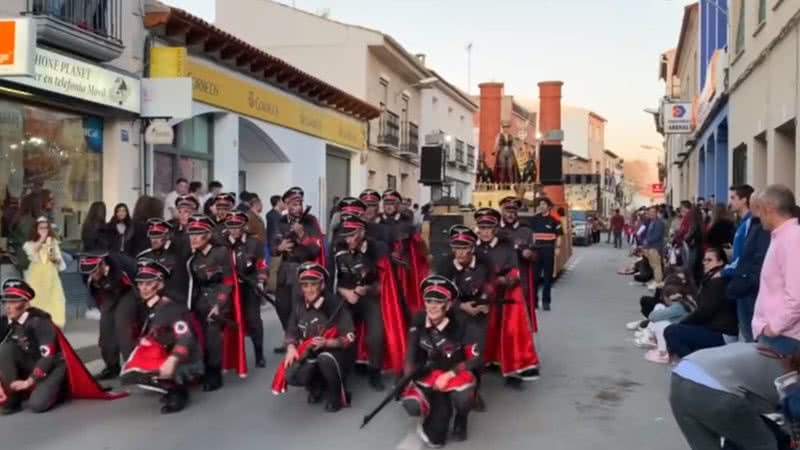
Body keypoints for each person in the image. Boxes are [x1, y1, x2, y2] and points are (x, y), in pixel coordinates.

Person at [0, 279, 126, 414]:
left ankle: (61, 389)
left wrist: (29, 382)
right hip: (31, 362)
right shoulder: (6, 321)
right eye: (6, 301)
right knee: (5, 349)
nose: (8, 306)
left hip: (52, 366)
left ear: (26, 304)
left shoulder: (39, 321)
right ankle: (12, 397)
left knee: (37, 405)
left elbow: (48, 357)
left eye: (14, 302)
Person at [400, 275, 480, 447]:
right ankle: (431, 410)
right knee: (410, 403)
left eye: (438, 301)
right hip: (430, 371)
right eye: (428, 300)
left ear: (448, 304)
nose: (432, 306)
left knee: (464, 396)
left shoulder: (462, 322)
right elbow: (411, 352)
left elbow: (476, 359)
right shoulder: (419, 318)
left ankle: (461, 418)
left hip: (456, 371)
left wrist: (450, 374)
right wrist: (407, 379)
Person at [330, 213, 406, 391]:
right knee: (342, 332)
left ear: (362, 231)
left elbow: (385, 282)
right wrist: (346, 292)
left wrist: (369, 289)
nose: (349, 239)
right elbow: (332, 279)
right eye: (346, 235)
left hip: (371, 296)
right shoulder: (338, 248)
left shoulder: (377, 248)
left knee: (376, 336)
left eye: (352, 234)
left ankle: (375, 371)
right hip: (345, 297)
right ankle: (339, 372)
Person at [119, 259, 201, 414]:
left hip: (184, 355)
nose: (144, 288)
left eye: (149, 284)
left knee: (164, 368)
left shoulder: (170, 308)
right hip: (165, 349)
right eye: (141, 284)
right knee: (133, 367)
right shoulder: (149, 307)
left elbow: (186, 337)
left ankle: (179, 392)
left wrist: (172, 361)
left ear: (160, 285)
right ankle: (168, 387)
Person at [669, 343, 786, 450]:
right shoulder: (791, 372)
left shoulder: (782, 350)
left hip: (682, 374)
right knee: (762, 444)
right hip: (717, 389)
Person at [272, 262, 355, 412]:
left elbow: (350, 336)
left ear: (322, 285)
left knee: (325, 359)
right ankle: (315, 386)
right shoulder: (298, 304)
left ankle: (335, 395)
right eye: (305, 285)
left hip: (336, 352)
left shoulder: (334, 303)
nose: (309, 290)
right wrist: (291, 348)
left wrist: (328, 343)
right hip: (310, 350)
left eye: (313, 284)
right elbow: (291, 330)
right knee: (291, 374)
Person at [474, 208, 539, 387]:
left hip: (504, 295)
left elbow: (514, 271)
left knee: (509, 332)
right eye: (482, 228)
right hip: (480, 296)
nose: (485, 231)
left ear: (495, 229)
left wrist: (506, 279)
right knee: (482, 331)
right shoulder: (474, 248)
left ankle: (514, 371)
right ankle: (485, 363)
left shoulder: (507, 247)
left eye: (489, 228)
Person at [435, 225, 492, 411]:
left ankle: (474, 393)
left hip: (478, 312)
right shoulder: (444, 264)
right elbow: (440, 294)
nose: (459, 252)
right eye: (456, 248)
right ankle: (450, 389)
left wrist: (484, 301)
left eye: (464, 248)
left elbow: (491, 284)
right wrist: (460, 306)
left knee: (475, 354)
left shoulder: (484, 261)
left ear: (472, 248)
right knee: (451, 352)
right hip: (453, 312)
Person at [186, 214, 246, 388]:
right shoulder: (192, 258)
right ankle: (201, 370)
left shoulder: (221, 253)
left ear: (208, 234)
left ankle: (214, 373)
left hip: (218, 299)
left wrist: (219, 305)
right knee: (199, 337)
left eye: (198, 234)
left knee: (213, 337)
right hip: (199, 302)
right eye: (191, 234)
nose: (194, 238)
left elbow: (228, 282)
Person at [664, 247, 738, 359]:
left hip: (722, 335)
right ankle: (692, 361)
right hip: (715, 329)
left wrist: (683, 323)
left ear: (721, 262)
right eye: (704, 260)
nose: (705, 263)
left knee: (671, 331)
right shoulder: (712, 279)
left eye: (709, 260)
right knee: (677, 328)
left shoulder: (718, 282)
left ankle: (691, 366)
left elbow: (705, 311)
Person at [271, 187, 323, 341]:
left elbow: (316, 249)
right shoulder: (280, 221)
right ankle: (289, 336)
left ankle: (300, 339)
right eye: (294, 204)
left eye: (300, 203)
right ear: (286, 204)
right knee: (282, 308)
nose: (298, 207)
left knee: (299, 307)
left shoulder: (310, 220)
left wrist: (301, 235)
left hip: (303, 269)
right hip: (284, 269)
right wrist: (279, 248)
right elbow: (273, 246)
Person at [751, 184, 800, 344]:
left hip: (784, 337)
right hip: (778, 334)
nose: (758, 215)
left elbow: (796, 296)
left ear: (769, 207)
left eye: (759, 208)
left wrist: (773, 328)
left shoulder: (792, 238)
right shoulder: (781, 237)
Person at [80, 251, 138, 380]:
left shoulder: (119, 267)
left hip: (128, 291)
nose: (92, 275)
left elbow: (136, 284)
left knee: (122, 323)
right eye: (88, 272)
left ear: (102, 264)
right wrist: (102, 309)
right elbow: (95, 292)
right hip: (108, 293)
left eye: (94, 271)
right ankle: (112, 367)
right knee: (106, 326)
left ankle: (133, 367)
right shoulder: (88, 275)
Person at [725, 189, 771, 342]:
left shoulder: (758, 226)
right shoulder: (748, 223)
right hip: (744, 283)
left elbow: (754, 257)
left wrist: (735, 274)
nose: (730, 201)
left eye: (733, 197)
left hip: (750, 286)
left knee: (752, 334)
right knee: (747, 332)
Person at [224, 211, 268, 368]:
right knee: (230, 322)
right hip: (230, 288)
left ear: (243, 226)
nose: (234, 230)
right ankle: (230, 357)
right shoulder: (223, 244)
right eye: (230, 226)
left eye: (237, 226)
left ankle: (259, 354)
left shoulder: (253, 243)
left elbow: (262, 264)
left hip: (249, 285)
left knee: (254, 320)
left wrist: (261, 281)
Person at [379, 189, 428, 316]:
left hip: (402, 272)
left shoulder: (407, 224)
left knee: (404, 305)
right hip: (382, 271)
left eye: (393, 202)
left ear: (398, 204)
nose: (389, 205)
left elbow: (419, 247)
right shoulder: (376, 223)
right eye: (386, 202)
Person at [497, 196, 537, 323]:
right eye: (507, 211)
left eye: (513, 212)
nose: (510, 214)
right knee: (498, 311)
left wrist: (530, 254)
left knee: (519, 312)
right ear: (502, 211)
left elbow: (535, 255)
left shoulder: (526, 230)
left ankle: (520, 340)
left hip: (520, 278)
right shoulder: (494, 230)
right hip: (499, 277)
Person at [22, 217, 67, 328]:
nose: (44, 230)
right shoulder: (29, 243)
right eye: (41, 228)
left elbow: (59, 259)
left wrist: (55, 259)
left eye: (46, 228)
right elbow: (31, 253)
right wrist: (42, 239)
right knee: (36, 299)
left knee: (56, 298)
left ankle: (53, 324)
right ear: (35, 229)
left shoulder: (53, 242)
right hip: (36, 275)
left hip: (51, 275)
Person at [135, 218, 191, 306]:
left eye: (158, 236)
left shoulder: (176, 256)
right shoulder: (143, 257)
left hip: (169, 301)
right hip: (145, 302)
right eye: (152, 236)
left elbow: (179, 285)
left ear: (167, 236)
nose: (154, 240)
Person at [529, 197, 562, 311]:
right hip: (536, 250)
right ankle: (534, 301)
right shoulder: (534, 219)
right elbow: (531, 235)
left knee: (548, 278)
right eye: (540, 204)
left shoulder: (554, 220)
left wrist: (557, 248)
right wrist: (531, 248)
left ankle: (546, 301)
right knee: (534, 277)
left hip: (548, 250)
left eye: (543, 204)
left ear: (548, 206)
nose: (541, 206)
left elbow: (558, 236)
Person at [642, 205, 666, 290]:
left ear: (656, 213)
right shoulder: (652, 222)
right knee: (653, 265)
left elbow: (657, 236)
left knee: (656, 266)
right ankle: (655, 280)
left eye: (653, 212)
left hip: (655, 247)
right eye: (650, 212)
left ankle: (658, 282)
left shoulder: (659, 223)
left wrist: (647, 240)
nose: (651, 214)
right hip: (650, 247)